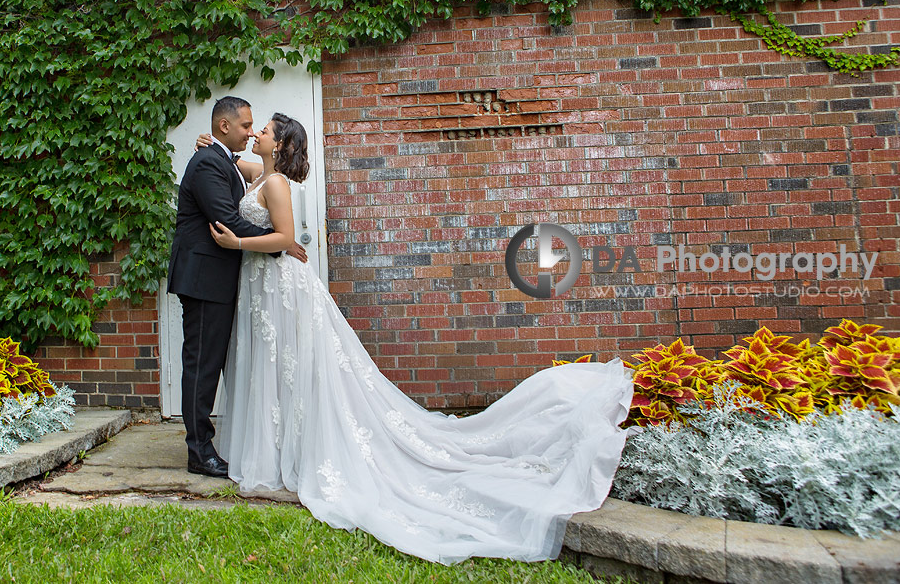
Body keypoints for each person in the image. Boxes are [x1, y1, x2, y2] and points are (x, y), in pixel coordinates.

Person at [206, 112, 635, 564]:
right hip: (265, 287)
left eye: (265, 131)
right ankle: (278, 450)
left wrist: (236, 245)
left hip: (281, 287)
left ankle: (295, 453)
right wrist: (212, 148)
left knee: (296, 368)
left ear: (281, 145)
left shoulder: (274, 185)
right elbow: (237, 167)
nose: (256, 134)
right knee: (279, 368)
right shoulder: (261, 175)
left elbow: (285, 237)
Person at [168, 96, 306, 478]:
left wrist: (281, 238)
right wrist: (280, 240)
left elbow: (262, 175)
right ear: (224, 126)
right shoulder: (209, 162)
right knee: (202, 364)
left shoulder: (226, 160)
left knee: (219, 363)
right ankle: (199, 451)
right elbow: (227, 220)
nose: (251, 131)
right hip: (204, 280)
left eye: (255, 128)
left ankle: (231, 440)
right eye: (246, 126)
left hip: (222, 280)